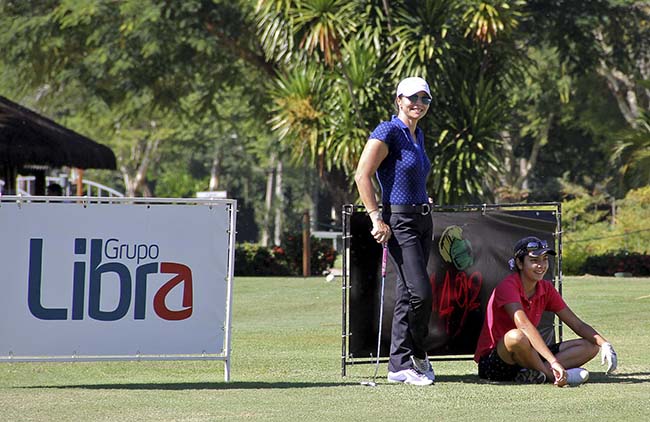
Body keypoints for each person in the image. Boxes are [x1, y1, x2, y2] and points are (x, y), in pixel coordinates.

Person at [354, 76, 436, 386]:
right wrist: (376, 218)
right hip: (399, 221)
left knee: (406, 294)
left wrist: (421, 197)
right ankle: (417, 353)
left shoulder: (418, 134)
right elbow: (363, 175)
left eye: (425, 98)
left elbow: (412, 176)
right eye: (412, 97)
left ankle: (398, 365)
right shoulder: (387, 130)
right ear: (398, 100)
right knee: (420, 293)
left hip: (422, 218)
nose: (419, 103)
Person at [474, 236, 618, 386]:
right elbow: (523, 325)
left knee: (591, 345)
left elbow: (577, 324)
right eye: (534, 260)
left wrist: (605, 344)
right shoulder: (507, 287)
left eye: (544, 259)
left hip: (529, 356)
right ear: (519, 263)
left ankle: (535, 374)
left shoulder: (546, 288)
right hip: (496, 364)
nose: (541, 265)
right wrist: (554, 362)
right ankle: (550, 374)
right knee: (516, 337)